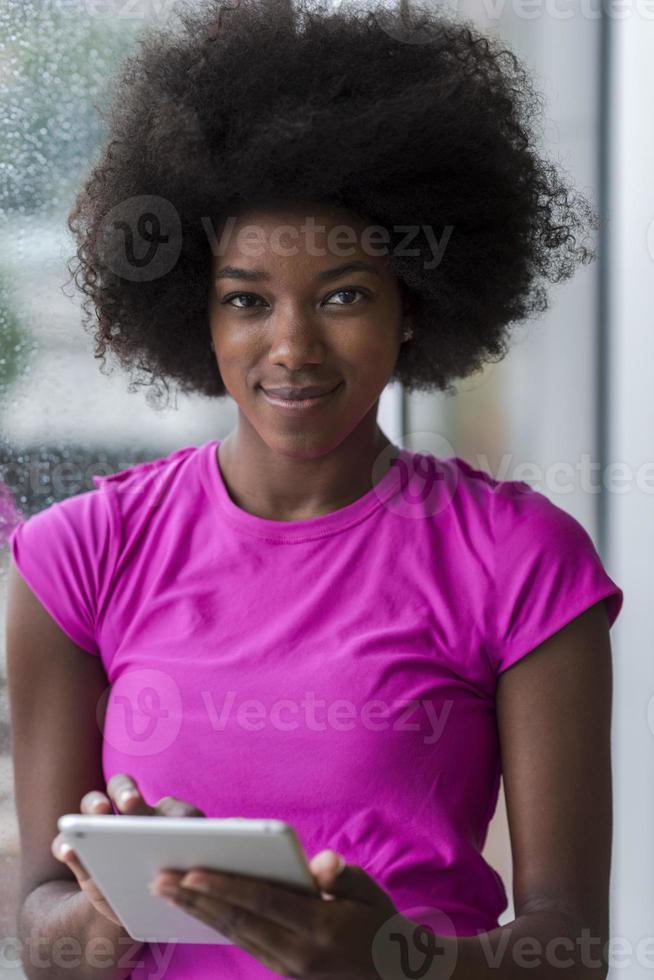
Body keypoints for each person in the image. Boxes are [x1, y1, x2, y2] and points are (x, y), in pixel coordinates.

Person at [6, 0, 623, 977]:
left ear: (414, 309)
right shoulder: (79, 555)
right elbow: (39, 927)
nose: (291, 347)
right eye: (247, 299)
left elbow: (573, 941)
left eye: (344, 294)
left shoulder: (520, 559)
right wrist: (109, 914)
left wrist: (399, 959)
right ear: (194, 318)